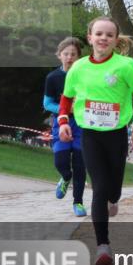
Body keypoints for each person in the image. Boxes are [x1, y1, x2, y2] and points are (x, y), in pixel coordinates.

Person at [58, 16, 133, 265]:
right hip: (89, 134)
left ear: (115, 40)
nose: (103, 38)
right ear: (90, 37)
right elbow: (67, 97)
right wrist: (64, 121)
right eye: (99, 34)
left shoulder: (125, 65)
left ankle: (114, 198)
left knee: (113, 189)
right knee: (99, 187)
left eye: (109, 35)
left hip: (116, 133)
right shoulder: (78, 67)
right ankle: (103, 246)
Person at [43, 37, 87, 217]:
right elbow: (47, 103)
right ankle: (65, 178)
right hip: (60, 123)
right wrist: (66, 109)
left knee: (80, 165)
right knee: (60, 161)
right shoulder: (53, 78)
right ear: (59, 55)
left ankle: (78, 202)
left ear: (79, 57)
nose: (69, 57)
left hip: (82, 125)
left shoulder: (85, 76)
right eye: (66, 54)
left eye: (73, 54)